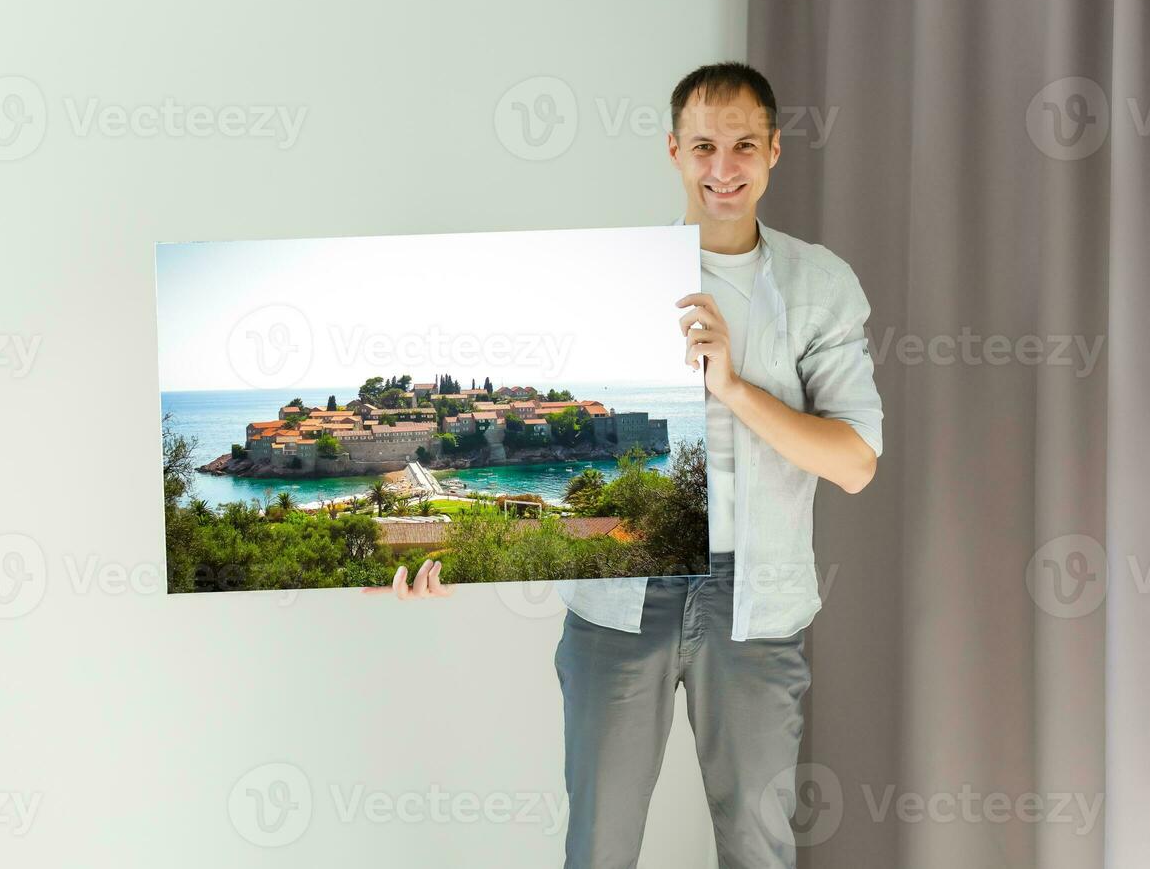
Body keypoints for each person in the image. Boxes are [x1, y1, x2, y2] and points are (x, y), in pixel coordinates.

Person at [369, 62, 884, 868]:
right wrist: (400, 553)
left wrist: (735, 388)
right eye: (705, 145)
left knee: (761, 848)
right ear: (673, 150)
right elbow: (490, 381)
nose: (724, 167)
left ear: (776, 151)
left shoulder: (820, 286)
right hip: (619, 592)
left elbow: (854, 463)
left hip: (757, 605)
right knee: (598, 848)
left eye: (745, 144)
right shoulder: (606, 280)